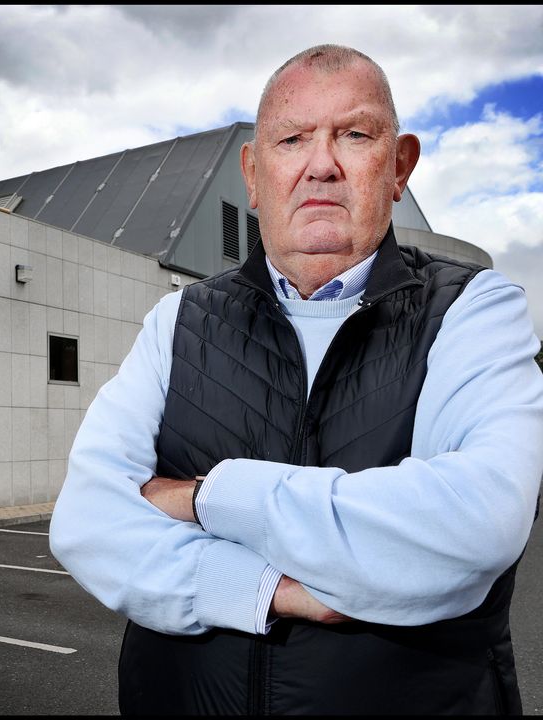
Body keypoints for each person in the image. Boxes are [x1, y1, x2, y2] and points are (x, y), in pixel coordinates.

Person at [49, 44, 543, 715]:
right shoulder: (179, 320)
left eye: (356, 135)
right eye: (293, 138)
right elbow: (88, 521)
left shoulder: (473, 309)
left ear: (399, 167)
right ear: (254, 174)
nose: (321, 165)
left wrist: (204, 497)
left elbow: (474, 524)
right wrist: (265, 589)